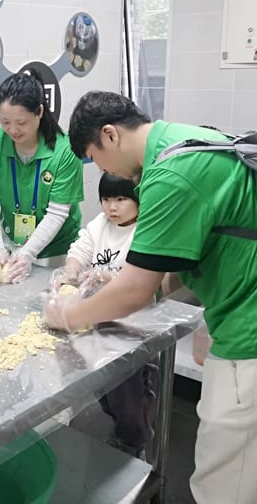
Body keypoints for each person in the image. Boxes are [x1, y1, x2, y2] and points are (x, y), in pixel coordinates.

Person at [49, 90, 257, 504]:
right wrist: (121, 288)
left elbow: (136, 290)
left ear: (110, 135)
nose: (100, 169)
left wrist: (70, 314)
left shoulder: (170, 173)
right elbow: (180, 260)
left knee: (228, 484)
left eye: (94, 158)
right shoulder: (190, 139)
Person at [62, 173, 155, 459]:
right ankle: (124, 422)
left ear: (139, 200)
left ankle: (133, 441)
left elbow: (141, 284)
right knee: (104, 386)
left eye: (121, 199)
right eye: (106, 199)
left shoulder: (146, 231)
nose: (112, 207)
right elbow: (80, 249)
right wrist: (69, 273)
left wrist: (107, 277)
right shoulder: (100, 225)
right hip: (102, 318)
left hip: (134, 324)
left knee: (127, 388)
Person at [0, 68, 84, 284]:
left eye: (21, 123)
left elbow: (56, 213)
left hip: (57, 252)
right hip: (12, 245)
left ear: (40, 112)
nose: (13, 130)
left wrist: (28, 254)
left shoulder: (65, 150)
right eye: (5, 122)